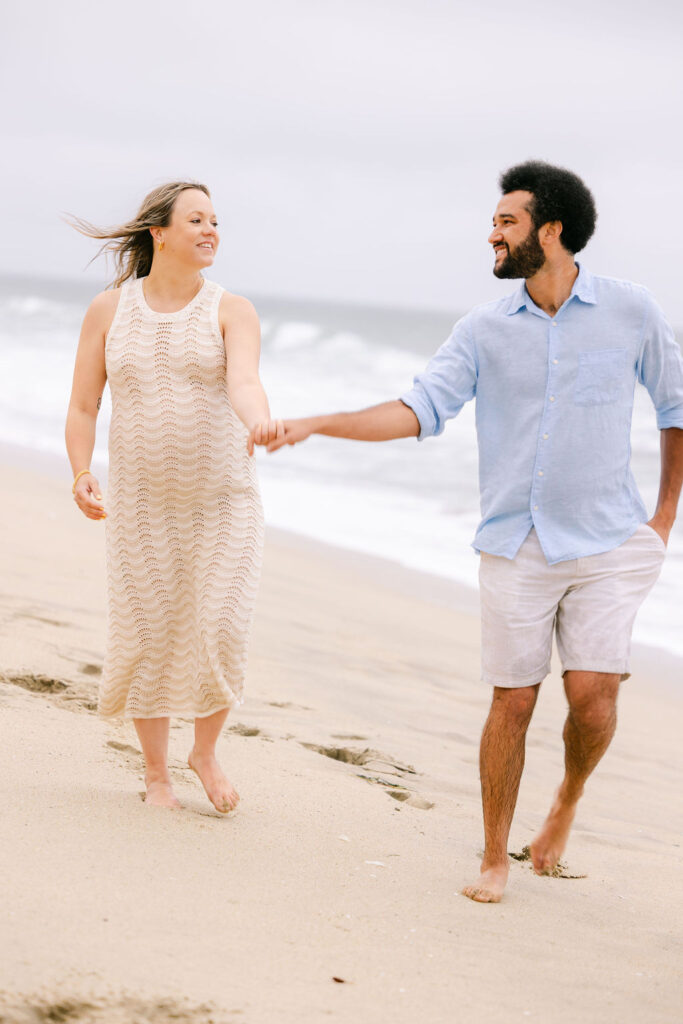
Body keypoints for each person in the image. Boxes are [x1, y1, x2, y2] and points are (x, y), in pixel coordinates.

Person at [250, 161, 683, 901]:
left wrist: (662, 517)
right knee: (512, 700)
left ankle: (566, 801)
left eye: (506, 221)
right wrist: (321, 423)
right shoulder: (482, 329)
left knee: (592, 695)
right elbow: (419, 409)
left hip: (611, 542)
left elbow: (674, 406)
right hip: (515, 542)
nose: (491, 232)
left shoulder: (630, 310)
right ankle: (491, 856)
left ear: (549, 229)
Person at [65, 181, 283, 811]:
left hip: (224, 500)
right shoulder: (109, 310)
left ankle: (205, 751)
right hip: (140, 503)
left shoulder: (231, 309)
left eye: (216, 220)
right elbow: (83, 405)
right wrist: (81, 473)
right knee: (146, 633)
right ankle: (157, 775)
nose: (211, 229)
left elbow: (245, 381)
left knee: (221, 625)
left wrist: (259, 420)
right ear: (158, 231)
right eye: (196, 219)